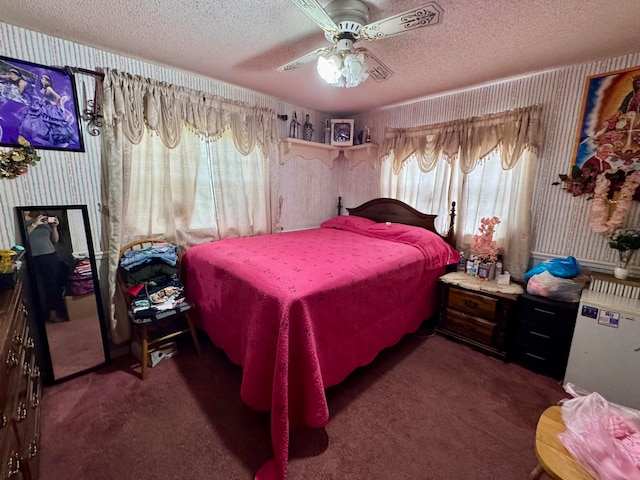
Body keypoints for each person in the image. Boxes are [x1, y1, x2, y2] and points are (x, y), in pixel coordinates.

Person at [23, 211, 67, 323]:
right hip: (33, 257)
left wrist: (54, 227)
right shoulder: (22, 222)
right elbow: (24, 237)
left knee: (52, 285)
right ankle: (36, 317)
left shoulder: (43, 221)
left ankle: (53, 314)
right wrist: (35, 224)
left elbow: (55, 240)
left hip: (50, 256)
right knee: (34, 287)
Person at [19, 74, 76, 146]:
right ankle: (40, 136)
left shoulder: (49, 88)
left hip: (50, 107)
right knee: (37, 119)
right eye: (42, 79)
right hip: (44, 104)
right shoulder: (43, 88)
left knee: (51, 122)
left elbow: (58, 97)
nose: (42, 80)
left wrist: (54, 103)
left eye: (44, 79)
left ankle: (51, 137)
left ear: (47, 81)